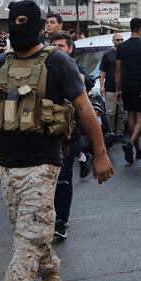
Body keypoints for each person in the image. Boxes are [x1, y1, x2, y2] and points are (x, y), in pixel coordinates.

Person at [0, 0, 112, 281]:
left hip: (44, 163)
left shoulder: (58, 62)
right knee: (31, 233)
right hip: (7, 164)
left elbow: (86, 109)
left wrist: (101, 153)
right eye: (10, 21)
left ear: (35, 24)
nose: (14, 27)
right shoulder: (1, 62)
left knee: (28, 236)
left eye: (20, 21)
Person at [48, 31, 96, 239]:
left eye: (61, 45)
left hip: (69, 132)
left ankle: (61, 221)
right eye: (54, 45)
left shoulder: (74, 67)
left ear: (70, 49)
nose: (57, 49)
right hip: (46, 131)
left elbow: (88, 81)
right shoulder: (45, 69)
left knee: (64, 177)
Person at [116, 17, 141, 164]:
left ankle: (137, 150)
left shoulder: (121, 47)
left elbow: (118, 70)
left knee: (130, 116)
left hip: (126, 84)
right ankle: (131, 143)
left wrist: (118, 89)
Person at [99, 33, 126, 141]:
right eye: (117, 40)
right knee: (110, 113)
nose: (120, 41)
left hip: (124, 88)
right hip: (110, 87)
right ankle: (111, 133)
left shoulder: (126, 54)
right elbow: (102, 71)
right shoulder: (107, 54)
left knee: (123, 112)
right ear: (113, 41)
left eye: (121, 39)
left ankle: (120, 133)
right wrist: (101, 86)